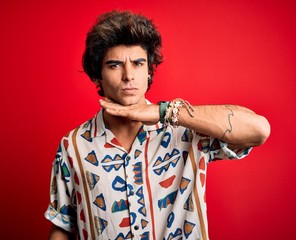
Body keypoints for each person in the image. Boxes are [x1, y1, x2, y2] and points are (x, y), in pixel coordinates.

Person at [44, 10, 270, 240]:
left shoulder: (184, 131)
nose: (128, 75)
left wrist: (165, 112)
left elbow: (259, 130)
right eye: (114, 65)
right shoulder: (73, 146)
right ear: (97, 75)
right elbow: (63, 226)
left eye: (138, 63)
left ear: (149, 71)